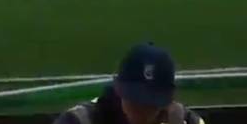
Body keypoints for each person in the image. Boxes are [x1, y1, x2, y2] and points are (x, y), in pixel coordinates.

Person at [54, 43, 205, 124]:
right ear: (118, 90)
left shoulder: (189, 121)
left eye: (151, 104)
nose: (141, 110)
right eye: (134, 100)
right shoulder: (78, 121)